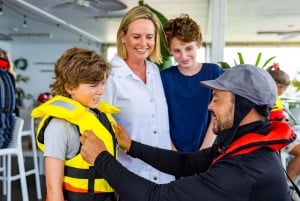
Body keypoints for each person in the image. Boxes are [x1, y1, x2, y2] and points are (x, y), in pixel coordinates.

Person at [80, 64, 296, 201]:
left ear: (243, 106)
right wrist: (133, 147)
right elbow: (185, 163)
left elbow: (156, 197)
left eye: (217, 99)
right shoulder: (243, 144)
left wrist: (101, 158)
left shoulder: (244, 169)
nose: (210, 106)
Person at [31, 47, 120, 201]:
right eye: (93, 86)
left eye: (103, 83)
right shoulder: (59, 126)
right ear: (69, 87)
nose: (101, 91)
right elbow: (53, 188)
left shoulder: (100, 116)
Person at [101, 5, 174, 184]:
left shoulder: (154, 71)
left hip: (165, 175)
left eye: (149, 37)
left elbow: (159, 124)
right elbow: (102, 129)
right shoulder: (109, 76)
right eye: (136, 37)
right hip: (131, 177)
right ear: (122, 37)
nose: (143, 43)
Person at [161, 14, 223, 152]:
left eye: (189, 48)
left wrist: (204, 151)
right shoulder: (164, 78)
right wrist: (173, 152)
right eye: (177, 51)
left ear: (199, 43)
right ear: (169, 50)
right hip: (172, 153)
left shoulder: (214, 72)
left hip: (208, 151)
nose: (183, 56)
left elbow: (218, 115)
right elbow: (160, 118)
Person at [267, 63, 300, 200]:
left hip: (281, 134)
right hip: (275, 136)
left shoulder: (274, 98)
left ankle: (290, 183)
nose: (283, 93)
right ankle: (286, 185)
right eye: (283, 89)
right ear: (277, 85)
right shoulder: (270, 97)